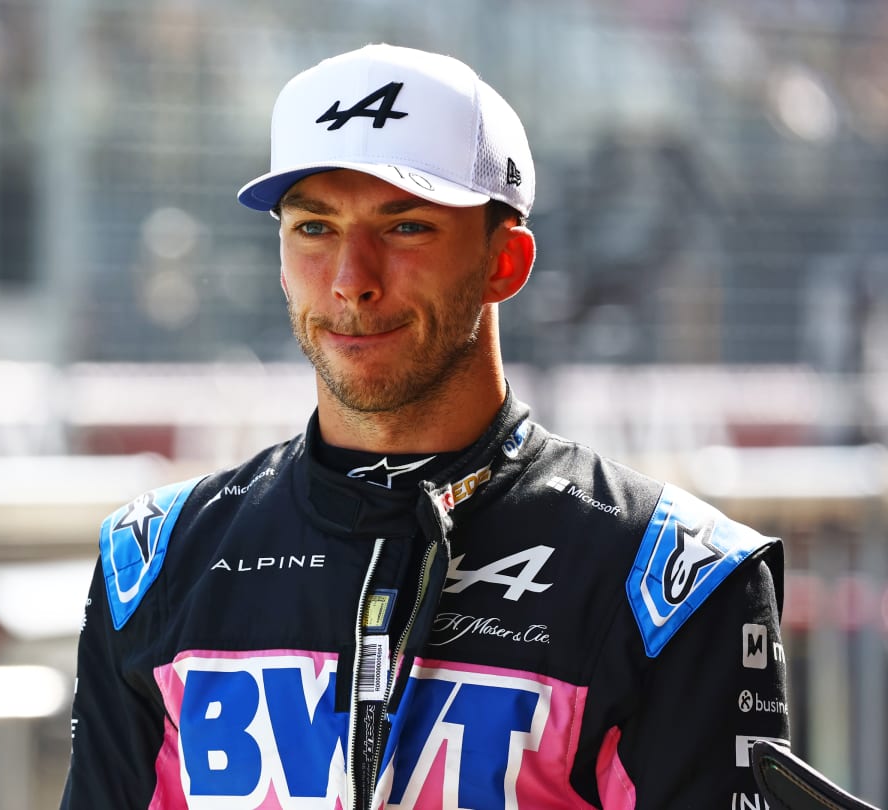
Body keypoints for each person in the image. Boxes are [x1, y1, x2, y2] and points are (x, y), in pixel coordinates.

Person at [59, 44, 791, 809]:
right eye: (314, 228)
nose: (352, 280)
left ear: (504, 261)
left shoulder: (678, 583)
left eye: (405, 227)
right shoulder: (153, 561)